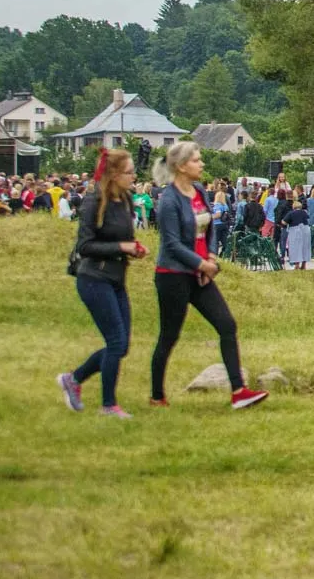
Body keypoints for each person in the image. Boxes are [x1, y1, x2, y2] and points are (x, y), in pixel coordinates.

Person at [147, 141, 267, 410]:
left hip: (200, 272)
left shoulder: (200, 191)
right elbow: (171, 243)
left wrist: (211, 257)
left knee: (227, 325)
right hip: (173, 275)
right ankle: (157, 395)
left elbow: (210, 226)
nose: (201, 164)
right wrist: (201, 265)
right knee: (169, 335)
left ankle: (238, 391)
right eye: (196, 161)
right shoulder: (168, 200)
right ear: (180, 167)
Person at [58, 150, 148, 418]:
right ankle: (108, 405)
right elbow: (85, 245)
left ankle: (73, 379)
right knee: (116, 341)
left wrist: (132, 249)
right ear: (113, 174)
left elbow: (121, 237)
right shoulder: (94, 201)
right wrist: (120, 246)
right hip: (93, 278)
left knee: (121, 346)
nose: (134, 177)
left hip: (117, 278)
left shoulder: (127, 200)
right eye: (129, 172)